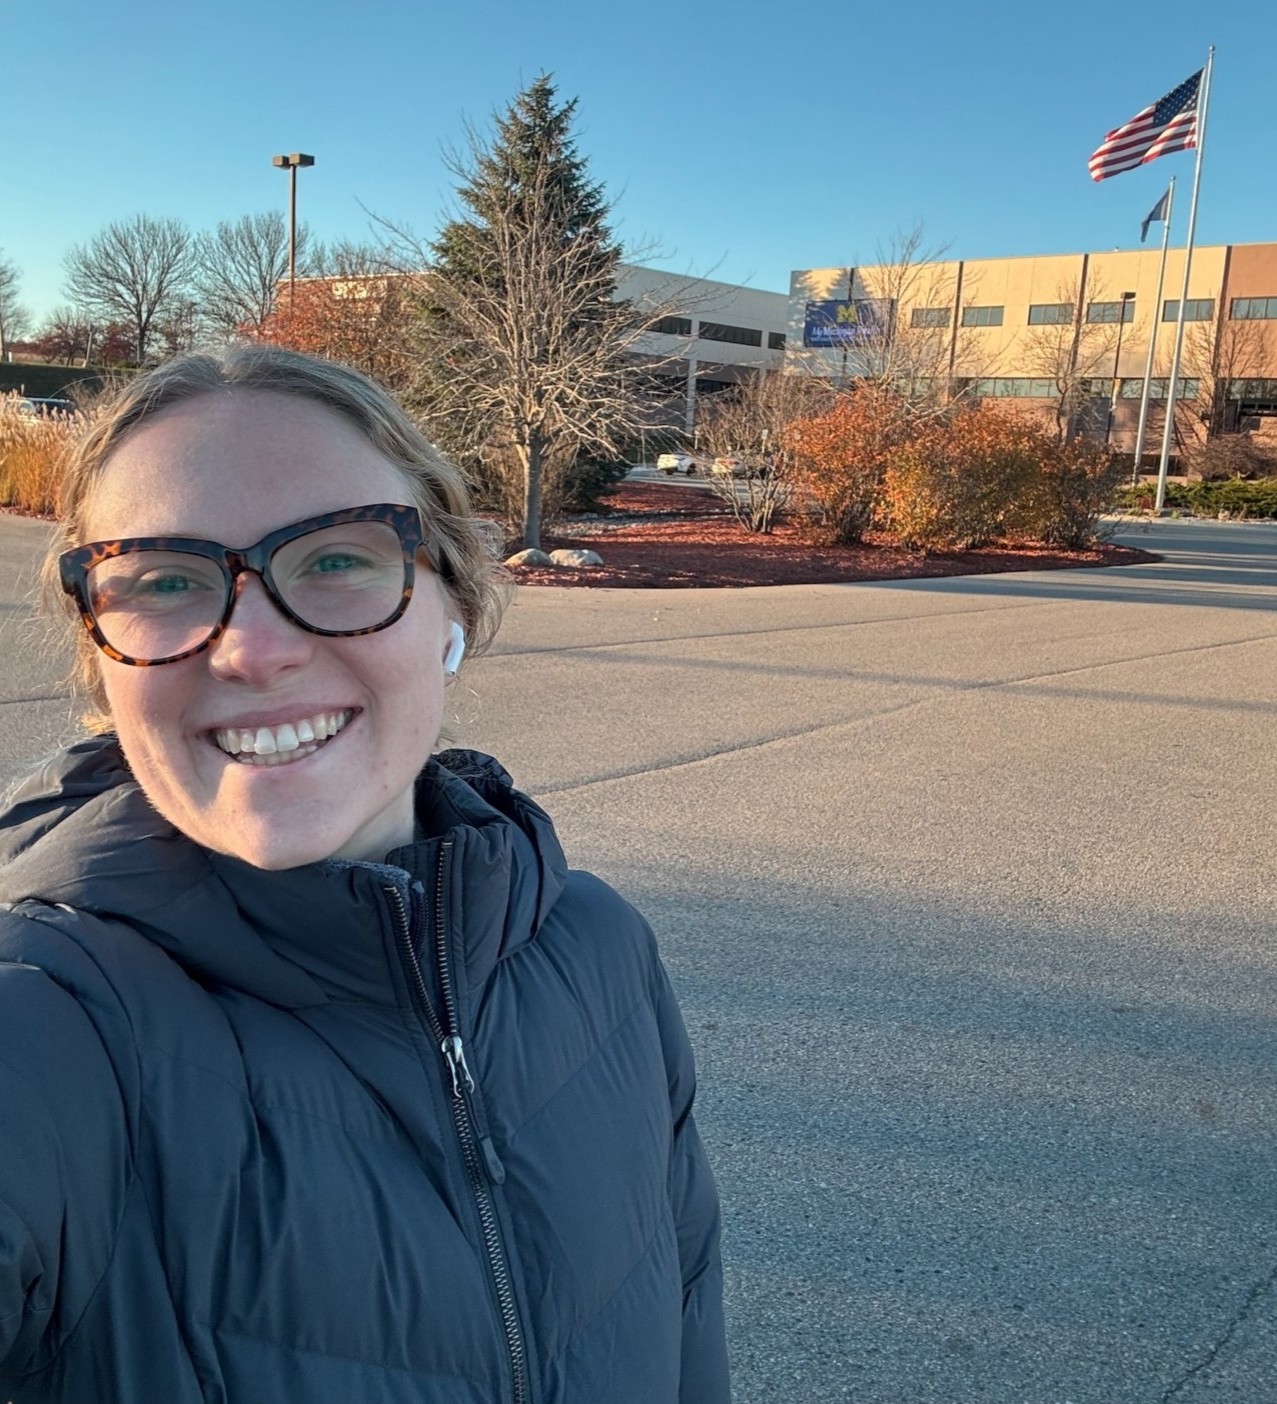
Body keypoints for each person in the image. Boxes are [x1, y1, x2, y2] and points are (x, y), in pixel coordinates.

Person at [0, 346, 730, 1404]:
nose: (252, 648)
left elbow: (688, 1318)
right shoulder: (48, 1030)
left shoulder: (601, 950)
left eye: (337, 559)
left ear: (453, 608)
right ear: (102, 659)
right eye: (162, 580)